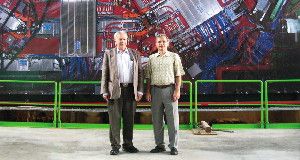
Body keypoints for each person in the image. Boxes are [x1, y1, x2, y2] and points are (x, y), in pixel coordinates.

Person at [101, 31, 143, 155]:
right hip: (114, 91)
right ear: (115, 41)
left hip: (131, 90)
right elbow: (105, 73)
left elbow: (140, 73)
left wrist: (140, 90)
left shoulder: (135, 54)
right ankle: (115, 146)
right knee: (115, 120)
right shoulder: (109, 54)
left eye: (124, 39)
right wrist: (104, 91)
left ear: (127, 40)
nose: (122, 41)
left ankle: (128, 145)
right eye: (120, 39)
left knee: (129, 119)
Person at [145, 34, 185, 155]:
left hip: (170, 91)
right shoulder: (151, 58)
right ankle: (159, 145)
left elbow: (178, 75)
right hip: (155, 91)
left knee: (172, 120)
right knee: (157, 120)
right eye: (159, 42)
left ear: (167, 43)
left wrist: (177, 90)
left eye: (163, 42)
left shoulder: (174, 57)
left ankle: (173, 146)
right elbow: (148, 77)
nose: (161, 44)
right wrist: (148, 91)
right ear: (156, 44)